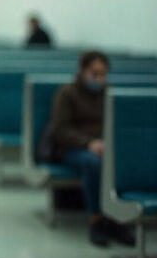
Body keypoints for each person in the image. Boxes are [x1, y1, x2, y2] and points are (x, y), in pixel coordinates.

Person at [50, 51, 134, 247]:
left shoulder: (109, 93)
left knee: (119, 162)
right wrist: (89, 143)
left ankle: (116, 219)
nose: (99, 78)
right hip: (73, 148)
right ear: (82, 71)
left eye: (102, 74)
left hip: (105, 147)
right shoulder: (67, 93)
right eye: (94, 73)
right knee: (94, 163)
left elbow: (119, 124)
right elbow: (61, 130)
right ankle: (96, 220)